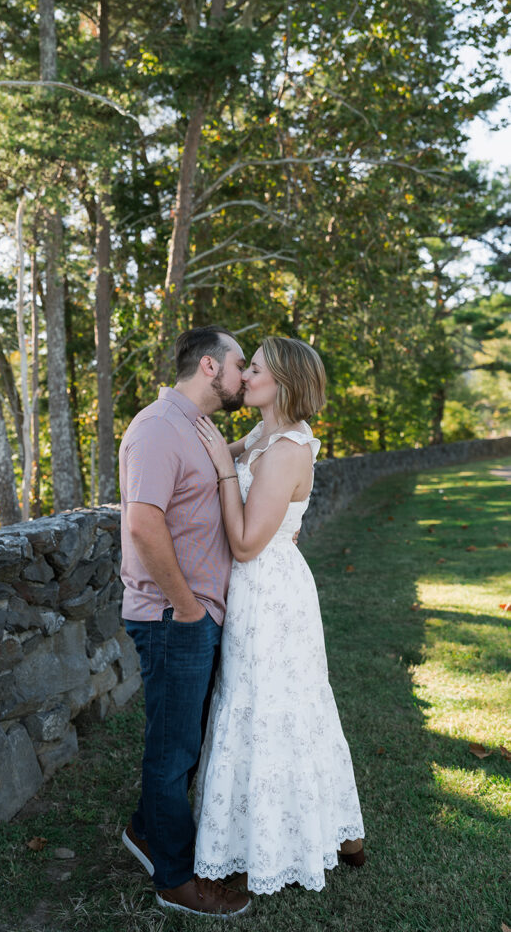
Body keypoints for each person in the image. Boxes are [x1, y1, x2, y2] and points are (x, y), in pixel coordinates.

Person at [193, 336, 365, 894]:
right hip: (255, 589)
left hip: (268, 590)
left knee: (277, 705)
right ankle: (304, 831)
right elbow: (229, 450)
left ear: (282, 383)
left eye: (255, 370)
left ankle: (290, 841)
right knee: (261, 700)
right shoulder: (263, 433)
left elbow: (244, 543)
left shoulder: (289, 448)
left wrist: (223, 469)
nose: (244, 378)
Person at [118, 326, 251, 917]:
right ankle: (175, 879)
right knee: (172, 752)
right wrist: (190, 608)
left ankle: (147, 831)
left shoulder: (199, 429)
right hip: (176, 615)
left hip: (195, 614)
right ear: (208, 366)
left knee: (187, 741)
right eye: (239, 364)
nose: (246, 375)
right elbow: (143, 526)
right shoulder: (156, 428)